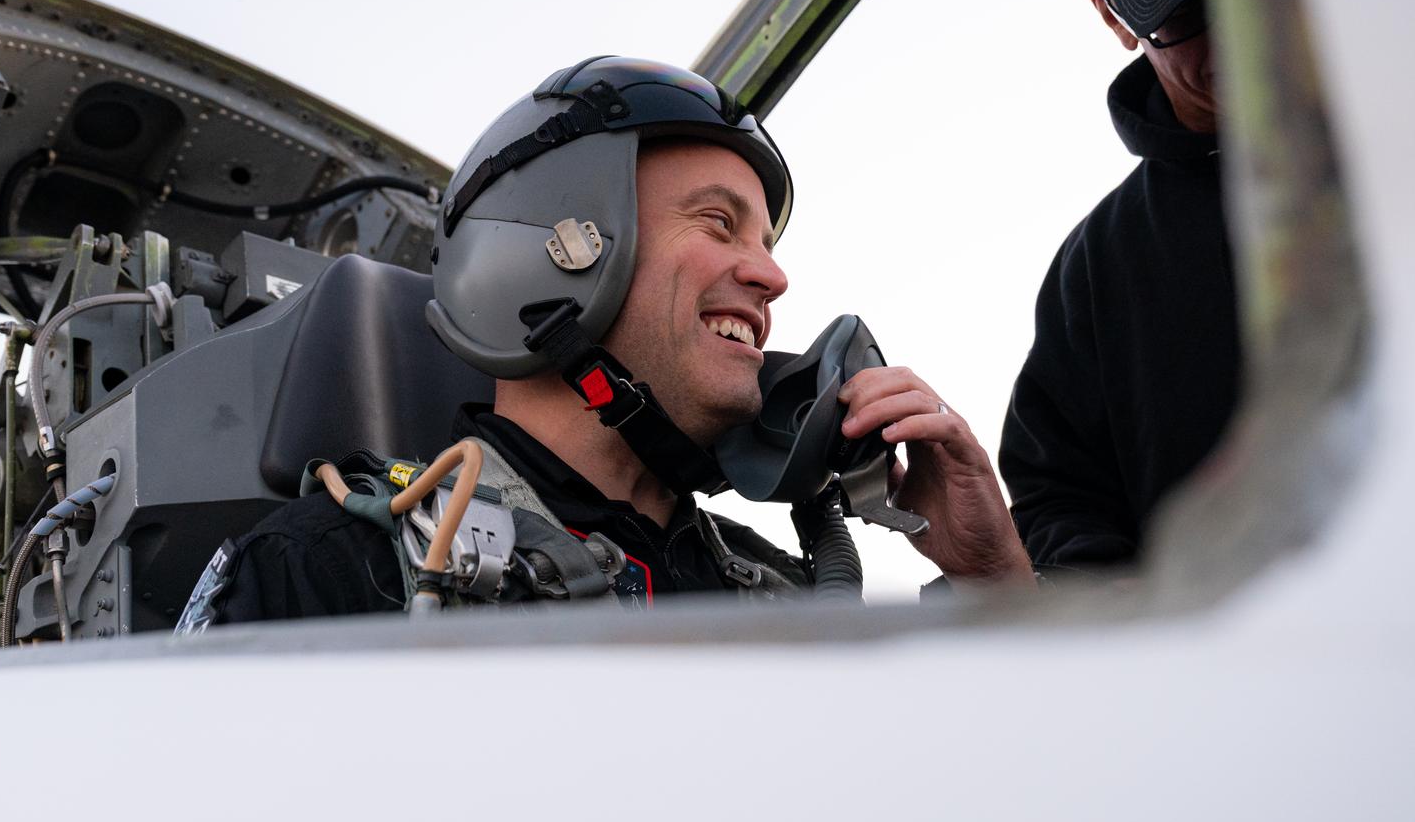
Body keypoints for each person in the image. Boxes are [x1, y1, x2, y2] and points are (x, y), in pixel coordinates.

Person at [198, 56, 1032, 620]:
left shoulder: (779, 594)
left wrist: (991, 577)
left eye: (768, 247)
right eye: (718, 223)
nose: (772, 279)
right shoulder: (331, 573)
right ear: (553, 253)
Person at [998, 0, 1241, 571]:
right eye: (1195, 4)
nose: (1243, 23)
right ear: (1114, 19)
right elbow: (1056, 497)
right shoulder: (1095, 278)